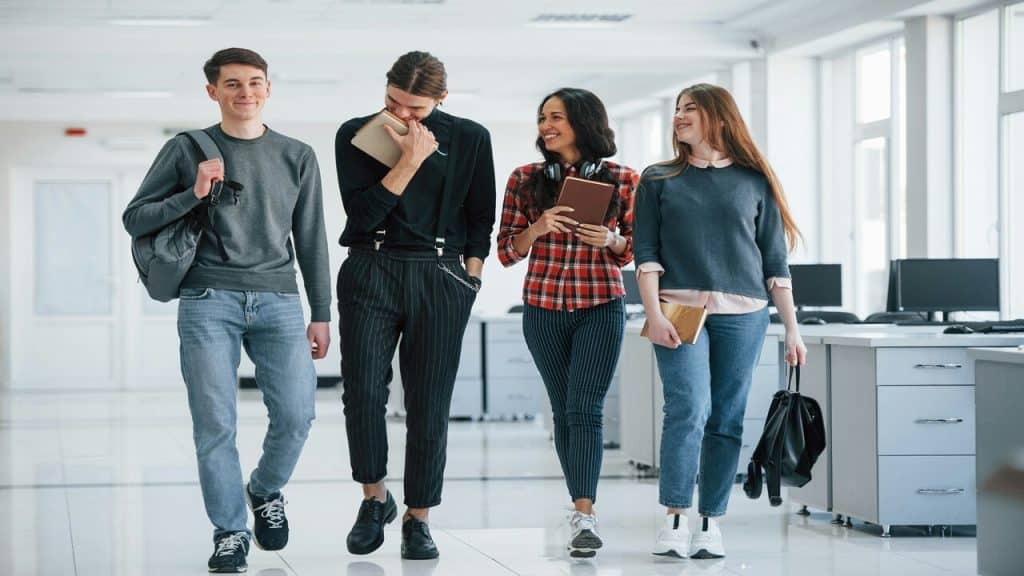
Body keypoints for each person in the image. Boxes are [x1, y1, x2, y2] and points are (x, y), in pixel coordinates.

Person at [122, 47, 331, 573]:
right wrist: (192, 194)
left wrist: (321, 312)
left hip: (281, 300)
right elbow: (135, 218)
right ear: (212, 91)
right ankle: (230, 532)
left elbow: (311, 239)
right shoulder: (187, 148)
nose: (245, 92)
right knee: (215, 423)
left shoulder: (297, 154)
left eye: (255, 82)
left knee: (298, 413)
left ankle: (264, 488)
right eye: (233, 84)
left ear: (268, 89)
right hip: (207, 299)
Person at [633, 83, 807, 560]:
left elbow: (775, 263)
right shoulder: (658, 178)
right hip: (677, 310)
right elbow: (645, 256)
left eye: (690, 109)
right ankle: (674, 516)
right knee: (687, 408)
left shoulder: (754, 181)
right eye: (677, 109)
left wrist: (792, 328)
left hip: (745, 313)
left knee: (727, 417)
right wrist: (652, 314)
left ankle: (710, 520)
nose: (680, 116)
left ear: (718, 117)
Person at [334, 51, 496, 560]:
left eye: (416, 109)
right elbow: (361, 215)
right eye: (393, 103)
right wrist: (409, 160)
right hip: (370, 266)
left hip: (441, 275)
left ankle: (418, 517)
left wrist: (469, 278)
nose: (402, 116)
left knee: (429, 402)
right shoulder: (355, 135)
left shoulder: (470, 137)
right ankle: (374, 497)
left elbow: (480, 217)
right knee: (362, 392)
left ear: (441, 100)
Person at [496, 88, 638, 558]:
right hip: (542, 309)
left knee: (585, 409)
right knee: (563, 410)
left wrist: (612, 240)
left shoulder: (624, 179)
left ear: (584, 121)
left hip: (600, 306)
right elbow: (505, 253)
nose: (546, 126)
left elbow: (638, 251)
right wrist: (537, 228)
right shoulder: (525, 179)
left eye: (556, 117)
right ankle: (579, 505)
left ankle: (585, 513)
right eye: (541, 118)